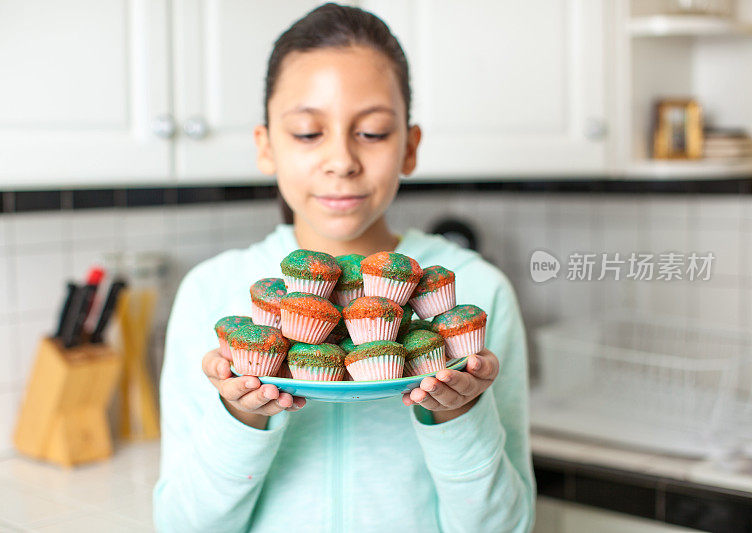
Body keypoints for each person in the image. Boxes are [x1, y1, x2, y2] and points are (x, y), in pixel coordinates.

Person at [153, 3, 535, 532]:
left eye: (373, 132)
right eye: (308, 133)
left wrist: (458, 415)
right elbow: (181, 525)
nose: (341, 161)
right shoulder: (210, 292)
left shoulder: (479, 292)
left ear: (410, 146)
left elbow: (508, 527)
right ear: (265, 147)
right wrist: (243, 415)